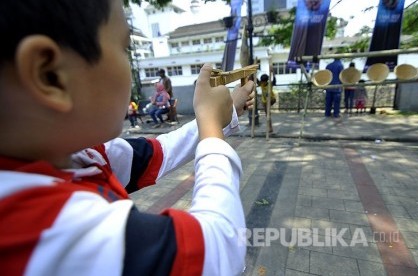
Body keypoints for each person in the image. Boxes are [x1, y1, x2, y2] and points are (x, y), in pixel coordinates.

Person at [0, 1, 256, 275]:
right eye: (124, 48)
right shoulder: (46, 228)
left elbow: (161, 151)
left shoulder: (77, 154)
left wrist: (222, 114)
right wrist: (212, 132)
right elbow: (217, 249)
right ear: (49, 75)